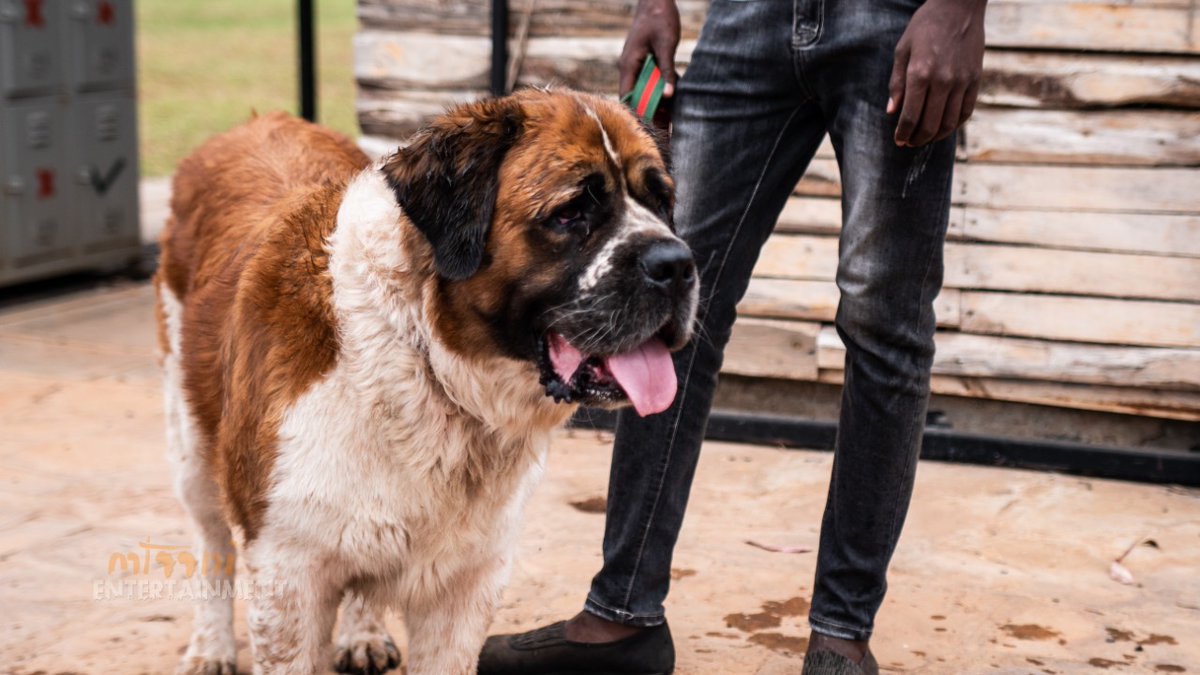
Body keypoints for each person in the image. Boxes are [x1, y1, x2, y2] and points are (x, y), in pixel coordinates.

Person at [478, 0, 986, 671]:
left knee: (882, 318)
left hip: (895, 16)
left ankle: (841, 634)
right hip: (749, 17)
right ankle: (623, 615)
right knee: (666, 294)